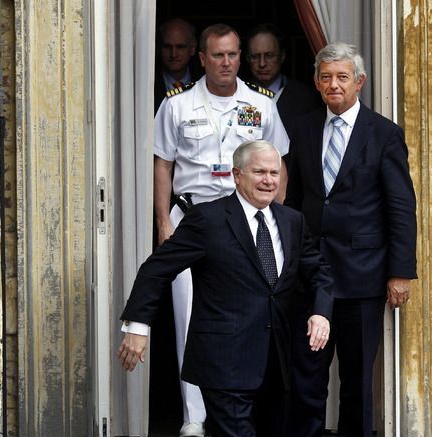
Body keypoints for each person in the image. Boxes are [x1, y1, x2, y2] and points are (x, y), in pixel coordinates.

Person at [118, 140, 333, 437]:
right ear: (237, 174)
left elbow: (319, 271)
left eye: (274, 172)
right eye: (259, 172)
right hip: (224, 361)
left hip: (277, 363)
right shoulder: (208, 219)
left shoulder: (291, 220)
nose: (269, 180)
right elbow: (157, 269)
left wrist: (321, 313)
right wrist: (138, 326)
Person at [147, 23, 290, 437]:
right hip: (192, 217)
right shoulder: (177, 104)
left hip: (246, 219)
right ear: (202, 58)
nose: (226, 62)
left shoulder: (260, 104)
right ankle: (194, 416)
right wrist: (162, 221)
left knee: (247, 313)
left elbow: (279, 162)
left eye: (232, 55)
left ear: (239, 57)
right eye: (218, 55)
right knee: (189, 318)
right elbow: (164, 163)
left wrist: (276, 217)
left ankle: (244, 409)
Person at [285, 42, 417, 437]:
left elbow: (400, 207)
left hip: (363, 275)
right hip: (311, 273)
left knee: (358, 381)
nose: (334, 85)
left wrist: (400, 272)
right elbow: (294, 201)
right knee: (306, 376)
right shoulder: (304, 127)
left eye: (342, 77)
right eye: (326, 78)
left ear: (359, 82)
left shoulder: (384, 134)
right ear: (316, 82)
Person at [245, 24, 321, 135]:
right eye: (255, 56)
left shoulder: (306, 98)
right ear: (247, 58)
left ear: (282, 56)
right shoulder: (239, 95)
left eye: (269, 55)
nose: (262, 63)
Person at [155, 18, 201, 111]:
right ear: (159, 48)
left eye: (180, 47)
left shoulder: (206, 80)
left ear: (192, 48)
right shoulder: (147, 82)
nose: (173, 54)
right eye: (167, 47)